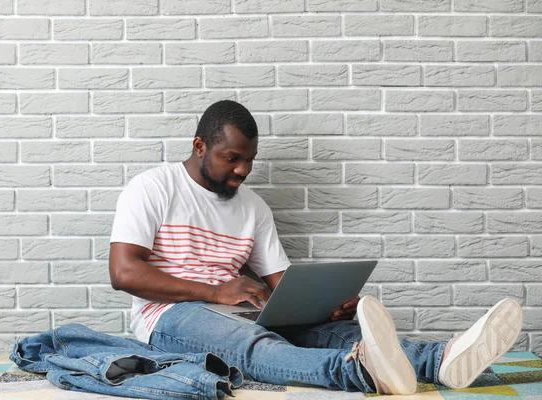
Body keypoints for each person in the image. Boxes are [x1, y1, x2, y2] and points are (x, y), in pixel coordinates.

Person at [109, 100, 524, 395]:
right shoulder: (153, 187)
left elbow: (281, 283)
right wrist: (216, 292)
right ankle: (360, 373)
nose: (242, 170)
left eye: (250, 160)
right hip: (170, 316)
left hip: (239, 308)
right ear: (199, 146)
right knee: (256, 346)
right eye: (231, 158)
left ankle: (440, 360)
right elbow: (124, 272)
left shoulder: (253, 207)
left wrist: (325, 303)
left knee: (335, 332)